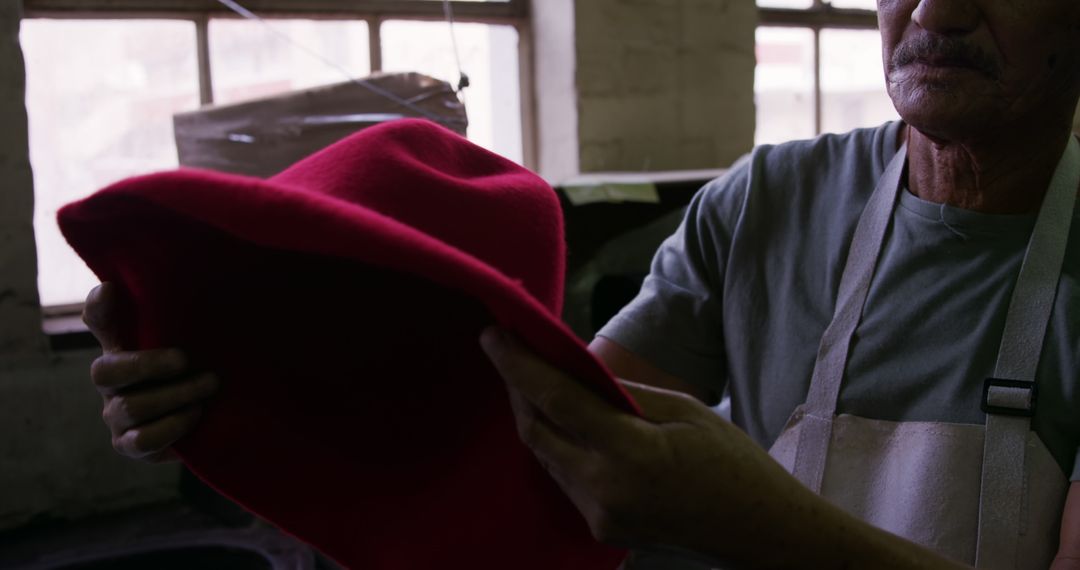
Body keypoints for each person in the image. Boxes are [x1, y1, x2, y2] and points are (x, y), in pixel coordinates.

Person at [83, 0, 1080, 567]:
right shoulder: (769, 202)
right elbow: (541, 449)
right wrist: (242, 385)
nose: (937, 8)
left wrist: (768, 531)